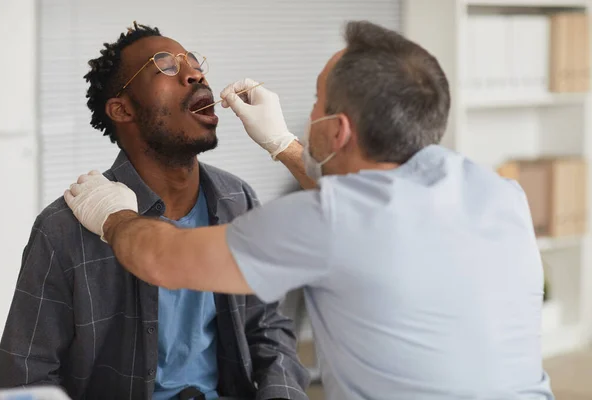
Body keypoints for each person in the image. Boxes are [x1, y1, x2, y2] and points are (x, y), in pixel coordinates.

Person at [62, 21, 555, 400]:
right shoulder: (499, 194)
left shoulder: (320, 221)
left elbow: (161, 260)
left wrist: (113, 215)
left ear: (337, 131)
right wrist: (283, 146)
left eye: (317, 103)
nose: (194, 72)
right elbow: (366, 199)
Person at [0, 22, 309, 400]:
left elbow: (268, 329)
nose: (195, 73)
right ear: (121, 109)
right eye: (166, 66)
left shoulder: (236, 199)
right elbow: (24, 379)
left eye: (193, 62)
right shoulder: (63, 228)